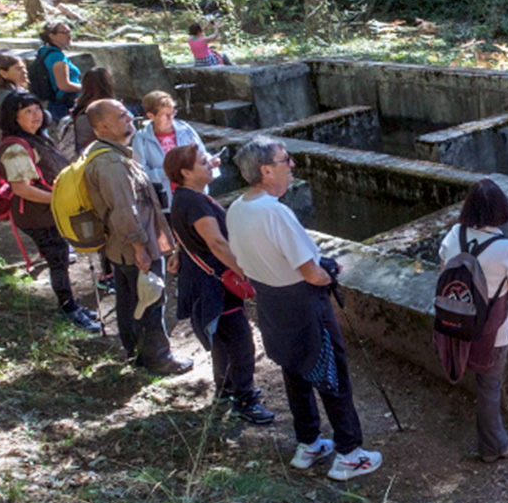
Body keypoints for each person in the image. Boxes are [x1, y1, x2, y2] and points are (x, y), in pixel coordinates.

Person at [226, 136, 382, 481]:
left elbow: (243, 261)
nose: (292, 165)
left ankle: (308, 442)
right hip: (304, 304)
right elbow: (311, 273)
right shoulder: (275, 213)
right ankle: (349, 453)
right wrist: (329, 274)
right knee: (331, 373)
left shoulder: (236, 209)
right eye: (285, 160)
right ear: (266, 170)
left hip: (270, 302)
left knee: (294, 371)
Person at [166, 144, 274, 426]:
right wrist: (245, 272)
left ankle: (225, 390)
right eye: (203, 162)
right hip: (214, 284)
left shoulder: (185, 197)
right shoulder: (195, 203)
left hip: (204, 282)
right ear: (186, 172)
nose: (211, 164)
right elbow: (216, 243)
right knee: (240, 341)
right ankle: (245, 400)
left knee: (222, 340)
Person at [84, 99, 193, 376]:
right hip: (135, 246)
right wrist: (140, 248)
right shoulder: (111, 163)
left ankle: (137, 354)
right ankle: (159, 359)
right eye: (121, 116)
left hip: (122, 246)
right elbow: (124, 209)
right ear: (102, 126)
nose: (130, 118)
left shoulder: (111, 154)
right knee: (151, 299)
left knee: (130, 301)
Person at [0, 92, 105, 334]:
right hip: (37, 217)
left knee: (61, 258)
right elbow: (22, 189)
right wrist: (59, 200)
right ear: (13, 118)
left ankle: (71, 306)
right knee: (58, 261)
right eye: (28, 111)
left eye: (37, 108)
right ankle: (69, 310)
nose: (37, 115)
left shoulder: (36, 138)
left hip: (47, 212)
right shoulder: (15, 148)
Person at [439, 179, 508, 462]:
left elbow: (444, 270)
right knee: (489, 386)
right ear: (500, 210)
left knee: (478, 378)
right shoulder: (507, 247)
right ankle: (493, 446)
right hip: (492, 329)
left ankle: (491, 440)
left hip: (455, 320)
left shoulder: (455, 233)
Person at [133, 90, 210, 211]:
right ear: (151, 116)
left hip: (196, 192)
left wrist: (210, 161)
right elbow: (139, 174)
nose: (171, 118)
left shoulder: (185, 129)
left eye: (173, 112)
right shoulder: (141, 139)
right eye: (165, 115)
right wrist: (166, 172)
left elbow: (202, 152)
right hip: (167, 199)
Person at [34, 22, 82, 122]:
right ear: (52, 36)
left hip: (56, 103)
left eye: (69, 31)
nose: (69, 35)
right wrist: (86, 88)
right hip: (65, 104)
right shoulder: (57, 57)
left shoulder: (44, 50)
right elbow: (64, 85)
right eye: (64, 32)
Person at [69, 67, 121, 154]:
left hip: (83, 155)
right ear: (108, 84)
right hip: (103, 155)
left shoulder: (78, 109)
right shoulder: (108, 110)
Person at [0, 53, 28, 134]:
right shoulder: (6, 96)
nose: (24, 72)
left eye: (24, 68)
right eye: (18, 69)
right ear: (3, 73)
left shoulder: (19, 91)